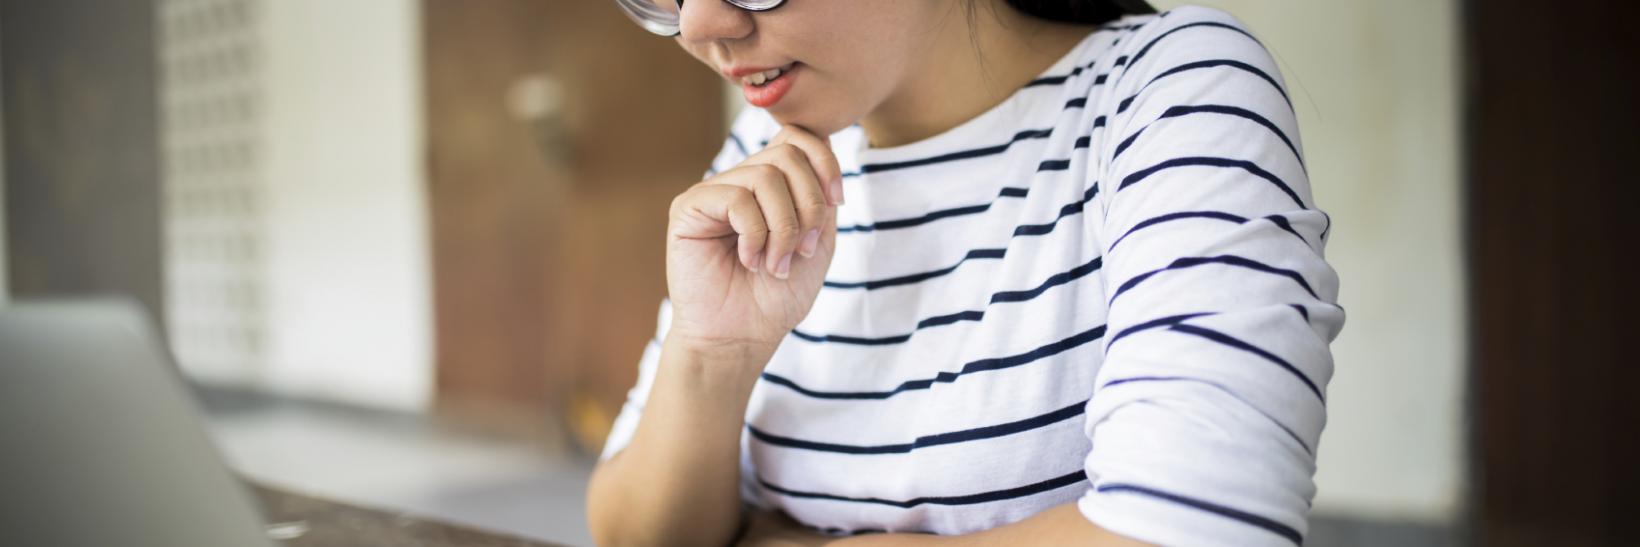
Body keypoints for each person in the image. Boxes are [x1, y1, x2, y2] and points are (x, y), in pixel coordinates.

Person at [586, 0, 1342, 545]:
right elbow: (629, 530)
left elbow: (1201, 530)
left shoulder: (1168, 90)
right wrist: (713, 351)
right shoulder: (766, 148)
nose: (700, 27)